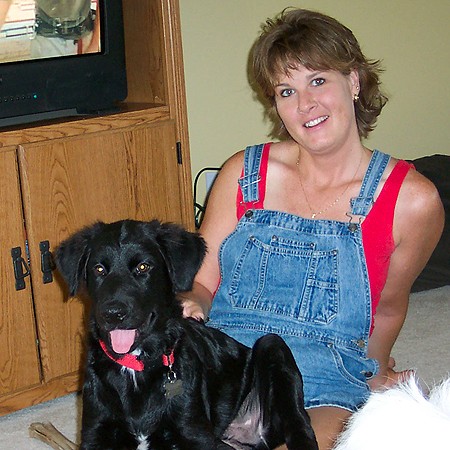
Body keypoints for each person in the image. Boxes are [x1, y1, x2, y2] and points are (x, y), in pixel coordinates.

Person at [180, 8, 444, 450]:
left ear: (355, 82)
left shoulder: (412, 201)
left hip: (323, 378)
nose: (305, 105)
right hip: (224, 360)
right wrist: (192, 300)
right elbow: (203, 282)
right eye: (287, 90)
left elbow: (389, 309)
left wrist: (375, 374)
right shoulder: (244, 173)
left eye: (318, 80)